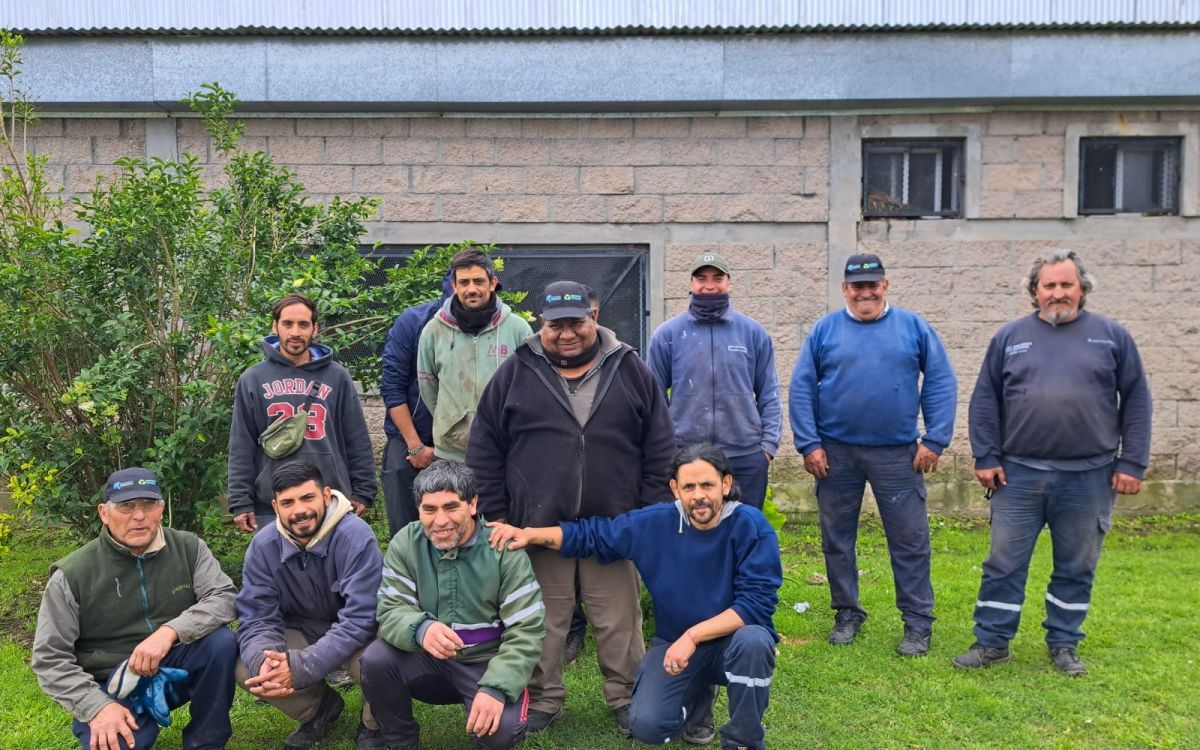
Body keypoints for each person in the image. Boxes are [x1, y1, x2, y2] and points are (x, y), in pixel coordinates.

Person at [467, 280, 677, 734]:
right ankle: (543, 699)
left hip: (615, 525)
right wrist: (499, 516)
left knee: (619, 620)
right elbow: (485, 447)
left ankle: (626, 695)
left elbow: (660, 447)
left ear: (594, 318)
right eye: (555, 324)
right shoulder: (516, 370)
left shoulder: (631, 368)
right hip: (536, 525)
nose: (566, 333)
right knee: (542, 620)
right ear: (541, 323)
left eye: (575, 322)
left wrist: (649, 516)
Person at [488, 443, 781, 750]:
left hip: (731, 643)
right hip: (674, 645)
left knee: (754, 642)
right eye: (689, 486)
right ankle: (697, 702)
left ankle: (744, 738)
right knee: (647, 726)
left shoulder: (751, 526)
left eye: (707, 484)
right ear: (675, 488)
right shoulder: (656, 522)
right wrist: (530, 534)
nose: (699, 496)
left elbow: (755, 605)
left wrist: (692, 637)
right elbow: (594, 535)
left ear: (726, 483)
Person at [954, 249, 1151, 676]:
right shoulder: (1009, 338)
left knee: (1077, 564)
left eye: (1066, 285)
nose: (1058, 293)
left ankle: (1063, 644)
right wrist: (986, 455)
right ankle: (992, 642)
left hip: (1089, 476)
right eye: (1050, 285)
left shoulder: (1112, 337)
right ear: (1035, 291)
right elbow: (984, 400)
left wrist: (1132, 463)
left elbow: (1136, 400)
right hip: (1018, 475)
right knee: (1003, 562)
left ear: (1082, 288)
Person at [789, 253, 956, 656]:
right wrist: (809, 443)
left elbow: (940, 380)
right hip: (836, 455)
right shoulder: (824, 331)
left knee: (910, 539)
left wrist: (935, 439)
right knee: (837, 540)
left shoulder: (913, 327)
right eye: (857, 285)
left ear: (885, 286)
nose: (865, 292)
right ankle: (847, 612)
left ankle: (917, 622)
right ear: (845, 289)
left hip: (898, 455)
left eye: (873, 284)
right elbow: (801, 388)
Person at [32, 467, 238, 750]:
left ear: (162, 509)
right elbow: (49, 658)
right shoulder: (72, 574)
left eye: (149, 504)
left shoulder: (189, 548)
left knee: (220, 642)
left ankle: (206, 743)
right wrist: (97, 706)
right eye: (126, 506)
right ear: (104, 512)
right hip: (113, 685)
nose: (139, 516)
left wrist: (169, 632)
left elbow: (223, 596)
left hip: (172, 666)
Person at [360, 460, 545, 750]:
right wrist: (421, 628)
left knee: (501, 735)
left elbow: (527, 630)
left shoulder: (504, 550)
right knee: (376, 659)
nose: (440, 520)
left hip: (488, 661)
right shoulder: (405, 543)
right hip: (429, 660)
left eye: (451, 507)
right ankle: (400, 740)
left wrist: (496, 687)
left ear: (472, 504)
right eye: (429, 509)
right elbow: (390, 608)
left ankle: (493, 707)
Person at [235, 461, 384, 750]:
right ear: (275, 506)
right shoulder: (263, 545)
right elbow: (256, 617)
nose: (299, 510)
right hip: (302, 630)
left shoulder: (356, 536)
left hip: (360, 637)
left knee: (379, 661)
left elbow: (361, 618)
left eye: (307, 498)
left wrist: (301, 667)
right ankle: (318, 709)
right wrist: (265, 662)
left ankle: (374, 724)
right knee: (246, 667)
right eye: (288, 502)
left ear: (326, 496)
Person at [228, 292, 377, 533]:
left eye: (303, 324)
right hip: (272, 505)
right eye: (287, 324)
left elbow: (356, 438)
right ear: (275, 326)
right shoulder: (252, 379)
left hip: (331, 500)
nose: (295, 332)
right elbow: (241, 445)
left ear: (315, 329)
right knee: (278, 570)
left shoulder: (337, 377)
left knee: (335, 571)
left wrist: (364, 490)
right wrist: (240, 500)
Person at [648, 251, 782, 507]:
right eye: (701, 278)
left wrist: (766, 449)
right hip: (687, 456)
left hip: (744, 456)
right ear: (691, 284)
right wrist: (666, 448)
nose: (709, 285)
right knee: (689, 532)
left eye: (717, 278)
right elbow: (653, 398)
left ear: (729, 283)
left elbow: (769, 393)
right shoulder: (668, 335)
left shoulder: (753, 333)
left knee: (744, 531)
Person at [416, 247, 531, 463]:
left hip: (505, 449)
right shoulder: (434, 331)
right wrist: (453, 423)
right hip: (450, 453)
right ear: (454, 286)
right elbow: (428, 387)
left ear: (493, 282)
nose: (472, 289)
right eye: (464, 282)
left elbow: (530, 387)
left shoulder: (518, 329)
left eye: (478, 281)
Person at [380, 271, 452, 537]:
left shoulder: (494, 330)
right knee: (407, 533)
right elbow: (392, 386)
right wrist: (415, 445)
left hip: (464, 445)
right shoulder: (413, 322)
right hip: (411, 439)